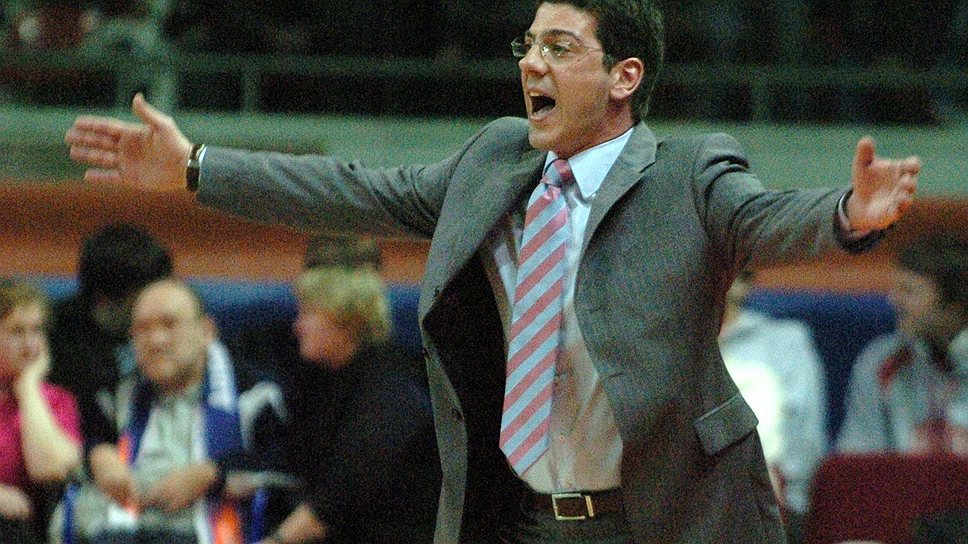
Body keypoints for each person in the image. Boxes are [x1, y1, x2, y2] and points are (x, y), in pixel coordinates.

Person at [64, 1, 921, 541]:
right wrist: (197, 167)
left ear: (624, 77)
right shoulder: (493, 163)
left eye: (559, 47)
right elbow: (352, 189)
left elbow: (767, 219)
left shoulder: (686, 177)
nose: (530, 63)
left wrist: (852, 212)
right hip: (519, 519)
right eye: (528, 43)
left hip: (666, 517)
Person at [73, 278, 283, 543]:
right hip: (119, 533)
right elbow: (85, 441)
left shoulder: (254, 395)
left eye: (169, 325)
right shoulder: (116, 394)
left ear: (206, 331)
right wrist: (98, 455)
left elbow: (284, 462)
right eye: (142, 329)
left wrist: (213, 475)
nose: (156, 341)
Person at [258, 254, 440, 544]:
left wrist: (276, 540)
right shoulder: (326, 380)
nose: (297, 326)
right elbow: (288, 457)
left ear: (345, 320)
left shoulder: (388, 390)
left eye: (308, 313)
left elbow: (337, 498)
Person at [719, 270, 828, 541]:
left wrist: (782, 497)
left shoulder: (783, 341)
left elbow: (806, 438)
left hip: (771, 506)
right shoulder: (668, 347)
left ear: (741, 283)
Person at [836, 235, 968, 454]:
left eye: (909, 291)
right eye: (896, 290)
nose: (893, 300)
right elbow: (858, 457)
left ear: (955, 304)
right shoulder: (881, 361)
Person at [48, 223, 173, 453]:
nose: (156, 304)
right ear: (104, 297)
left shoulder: (174, 330)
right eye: (144, 295)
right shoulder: (54, 343)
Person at [0, 279, 82, 544]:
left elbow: (51, 468)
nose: (29, 344)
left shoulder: (57, 400)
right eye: (16, 332)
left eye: (36, 331)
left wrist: (28, 388)